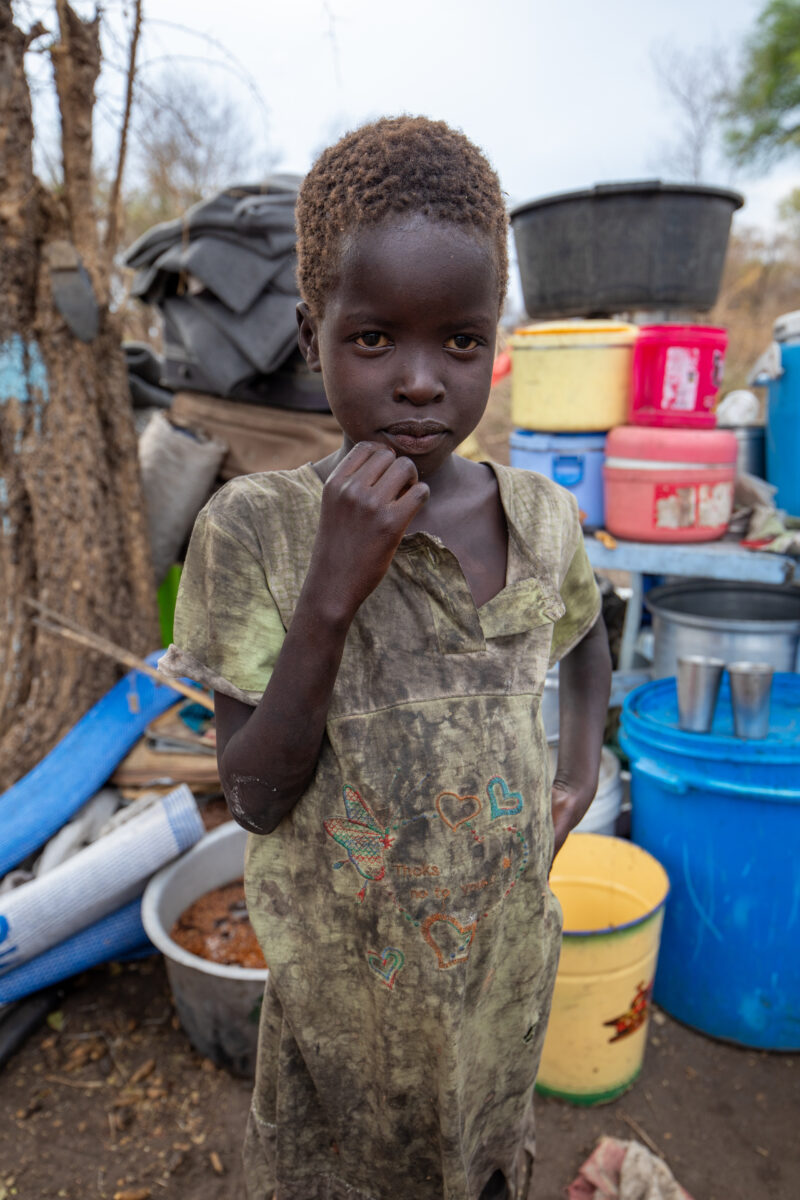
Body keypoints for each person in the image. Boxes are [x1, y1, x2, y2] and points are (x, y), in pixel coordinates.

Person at [159, 115, 612, 1200]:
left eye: (457, 341)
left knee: (483, 1160)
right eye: (373, 340)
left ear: (493, 340)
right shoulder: (252, 530)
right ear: (314, 332)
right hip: (344, 1009)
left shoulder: (541, 519)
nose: (419, 383)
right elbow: (257, 796)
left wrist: (576, 768)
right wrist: (329, 594)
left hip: (498, 980)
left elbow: (587, 628)